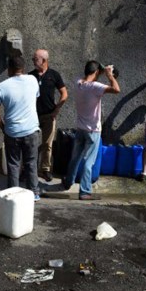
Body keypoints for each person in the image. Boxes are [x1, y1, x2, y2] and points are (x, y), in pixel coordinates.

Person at [61, 61, 120, 200]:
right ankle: (85, 191)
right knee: (89, 162)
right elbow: (117, 89)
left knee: (75, 158)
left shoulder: (78, 83)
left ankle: (68, 181)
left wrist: (99, 71)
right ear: (96, 73)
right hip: (93, 131)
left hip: (80, 129)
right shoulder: (95, 87)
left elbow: (88, 78)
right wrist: (110, 76)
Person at [0, 56, 41, 200]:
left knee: (13, 164)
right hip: (31, 130)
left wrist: (3, 127)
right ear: (23, 68)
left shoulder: (2, 86)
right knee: (31, 162)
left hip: (12, 132)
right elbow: (34, 98)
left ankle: (13, 194)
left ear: (9, 69)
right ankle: (35, 193)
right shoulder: (33, 80)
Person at [29, 49, 68, 182]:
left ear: (44, 61)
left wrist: (56, 110)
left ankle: (45, 170)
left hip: (49, 115)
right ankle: (27, 169)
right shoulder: (30, 76)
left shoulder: (54, 75)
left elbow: (64, 94)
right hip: (32, 115)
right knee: (29, 144)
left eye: (35, 59)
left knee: (47, 144)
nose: (33, 61)